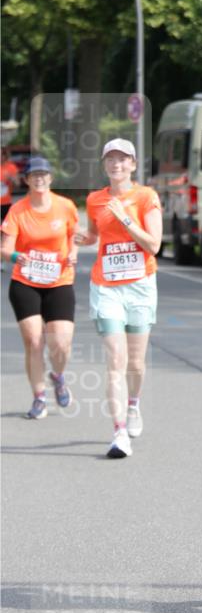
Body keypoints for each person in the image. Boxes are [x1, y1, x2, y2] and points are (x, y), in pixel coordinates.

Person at [74, 139, 162, 459]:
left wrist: (126, 218)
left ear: (133, 165)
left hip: (140, 285)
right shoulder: (95, 200)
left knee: (136, 364)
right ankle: (118, 432)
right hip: (106, 286)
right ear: (104, 164)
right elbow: (97, 236)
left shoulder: (145, 197)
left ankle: (134, 405)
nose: (116, 165)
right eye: (110, 159)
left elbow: (154, 245)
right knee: (115, 362)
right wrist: (84, 239)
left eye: (123, 159)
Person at [1, 157, 78, 419]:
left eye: (43, 174)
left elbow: (74, 237)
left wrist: (74, 253)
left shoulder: (65, 207)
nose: (39, 179)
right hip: (26, 281)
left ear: (51, 178)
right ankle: (39, 398)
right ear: (26, 180)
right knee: (34, 341)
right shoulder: (18, 210)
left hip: (59, 281)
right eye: (34, 175)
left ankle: (57, 376)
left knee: (61, 343)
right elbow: (5, 249)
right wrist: (14, 257)